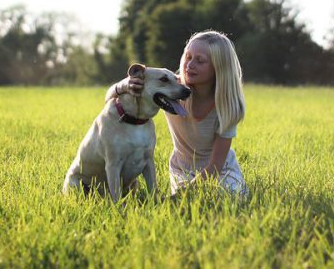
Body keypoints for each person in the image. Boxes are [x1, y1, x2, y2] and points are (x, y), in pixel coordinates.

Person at [106, 30, 247, 196]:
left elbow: (215, 165)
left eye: (200, 61)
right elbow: (109, 97)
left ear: (218, 67)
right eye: (188, 57)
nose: (190, 65)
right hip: (182, 169)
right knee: (190, 201)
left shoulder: (227, 105)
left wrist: (181, 195)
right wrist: (124, 85)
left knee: (225, 195)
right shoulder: (170, 87)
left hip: (221, 170)